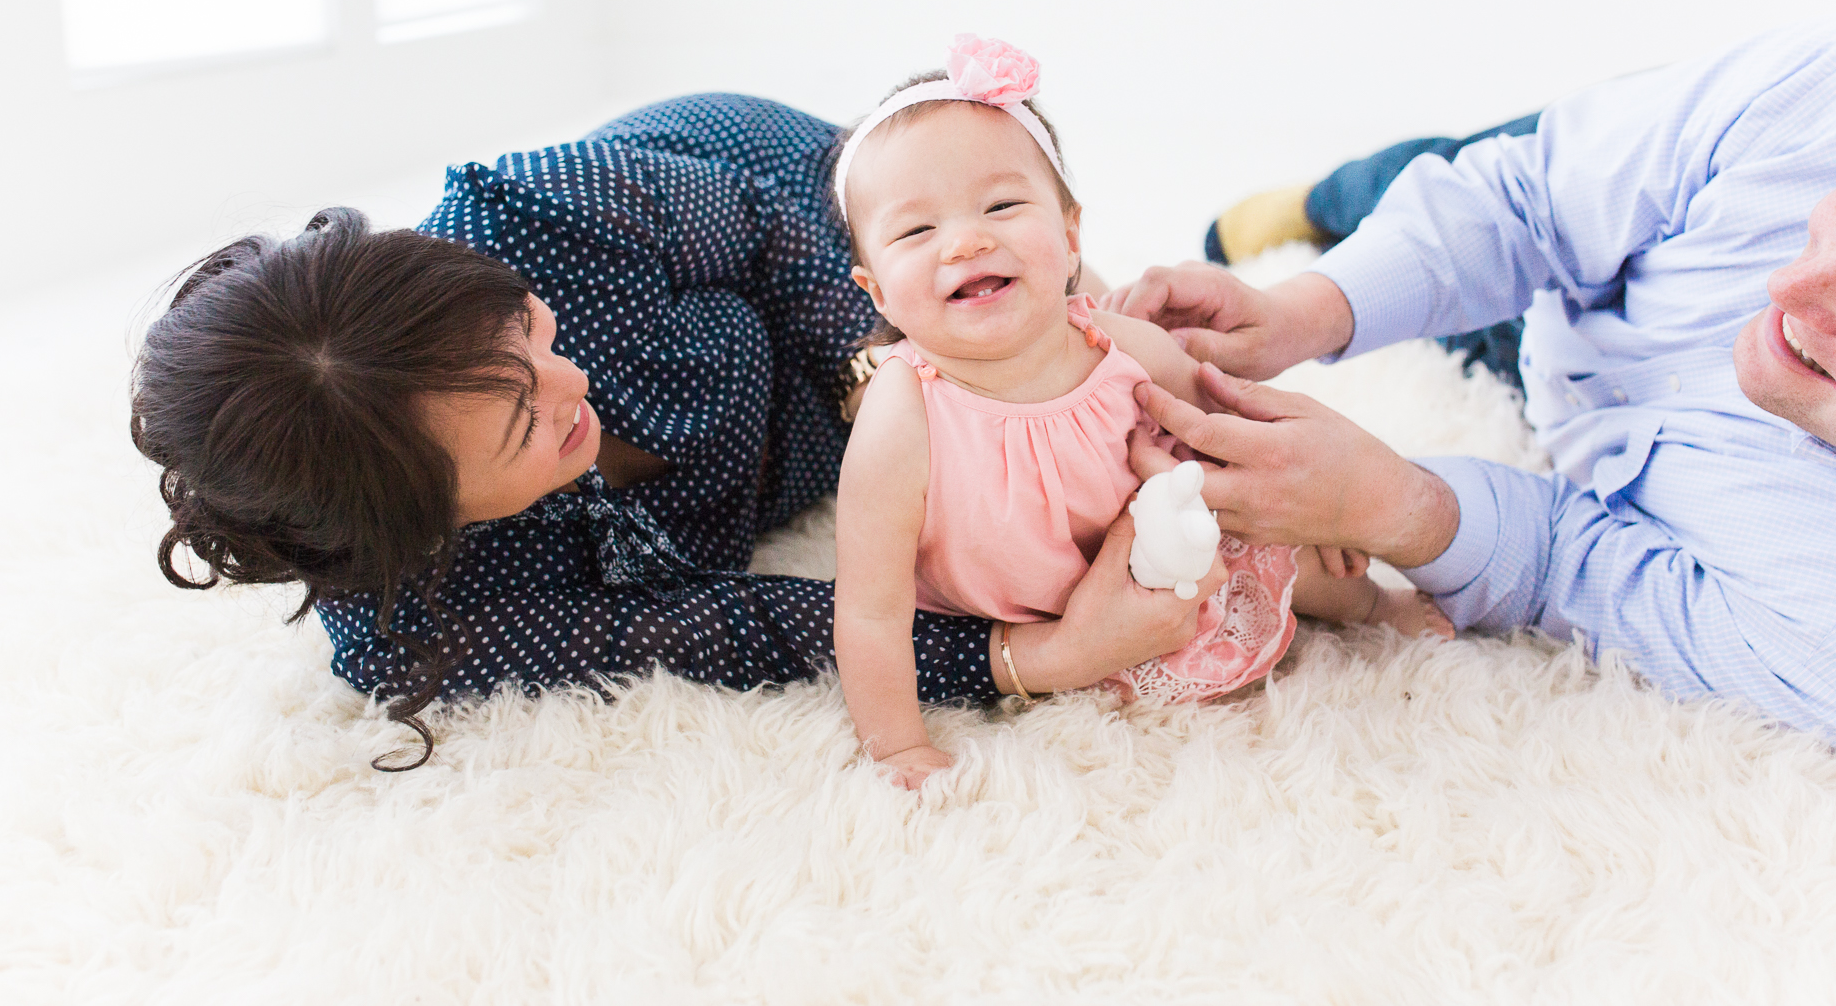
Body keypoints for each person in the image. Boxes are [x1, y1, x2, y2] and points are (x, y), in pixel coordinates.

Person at [131, 93, 1224, 769]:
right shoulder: (427, 624)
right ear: (427, 526)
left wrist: (897, 378)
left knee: (1090, 335)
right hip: (774, 419)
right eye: (524, 424)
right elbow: (726, 627)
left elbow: (759, 226)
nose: (568, 387)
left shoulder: (541, 211)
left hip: (790, 207)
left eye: (531, 333)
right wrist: (1029, 657)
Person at [1109, 10, 1836, 752]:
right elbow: (1532, 200)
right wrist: (1310, 304)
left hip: (1590, 395)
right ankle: (1325, 202)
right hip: (1621, 265)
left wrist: (1392, 506)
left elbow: (1573, 567)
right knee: (1413, 177)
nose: (1781, 287)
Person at [830, 37, 1449, 788]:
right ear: (878, 293)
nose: (967, 238)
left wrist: (1331, 519)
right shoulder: (903, 415)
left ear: (1068, 239)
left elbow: (1229, 418)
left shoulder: (1115, 344)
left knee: (1280, 545)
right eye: (917, 230)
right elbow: (869, 609)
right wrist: (896, 745)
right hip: (1035, 625)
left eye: (1001, 204)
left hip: (1164, 559)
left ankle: (1373, 605)